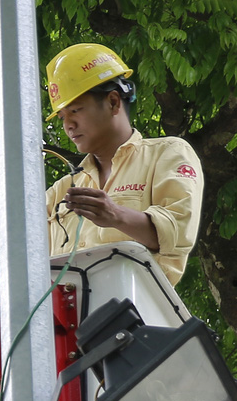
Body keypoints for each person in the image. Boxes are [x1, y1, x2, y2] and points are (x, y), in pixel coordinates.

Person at [43, 43, 203, 286]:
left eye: (75, 110)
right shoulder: (60, 190)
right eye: (63, 117)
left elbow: (177, 233)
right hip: (68, 320)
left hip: (139, 312)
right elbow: (29, 259)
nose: (68, 125)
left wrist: (115, 214)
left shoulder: (167, 153)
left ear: (114, 102)